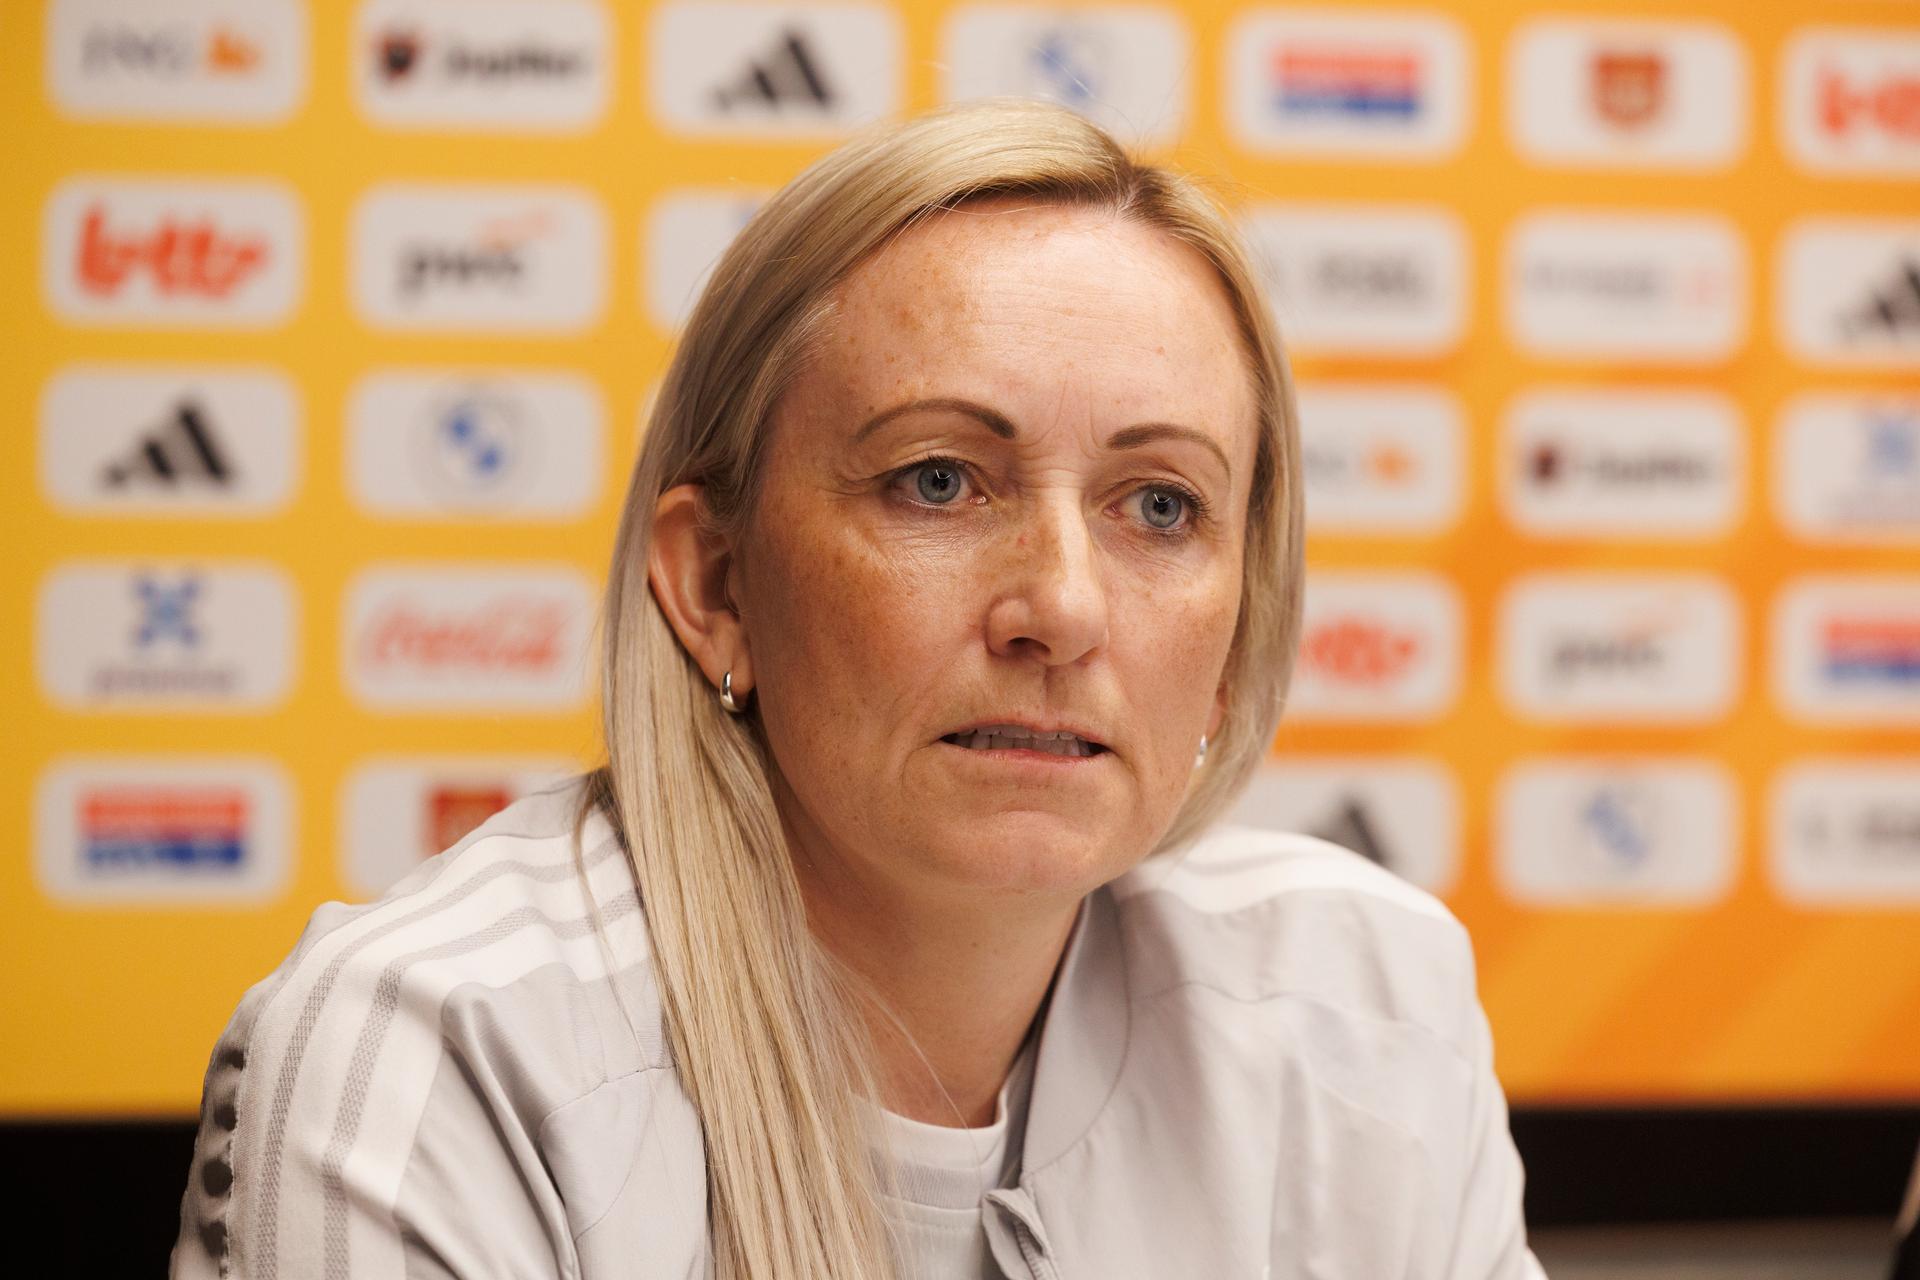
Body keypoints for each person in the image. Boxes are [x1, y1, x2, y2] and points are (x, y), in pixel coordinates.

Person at [171, 98, 1546, 1279]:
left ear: (1241, 630)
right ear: (714, 585)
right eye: (937, 481)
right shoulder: (442, 1057)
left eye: (1160, 505)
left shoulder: (1366, 1001)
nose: (1063, 608)